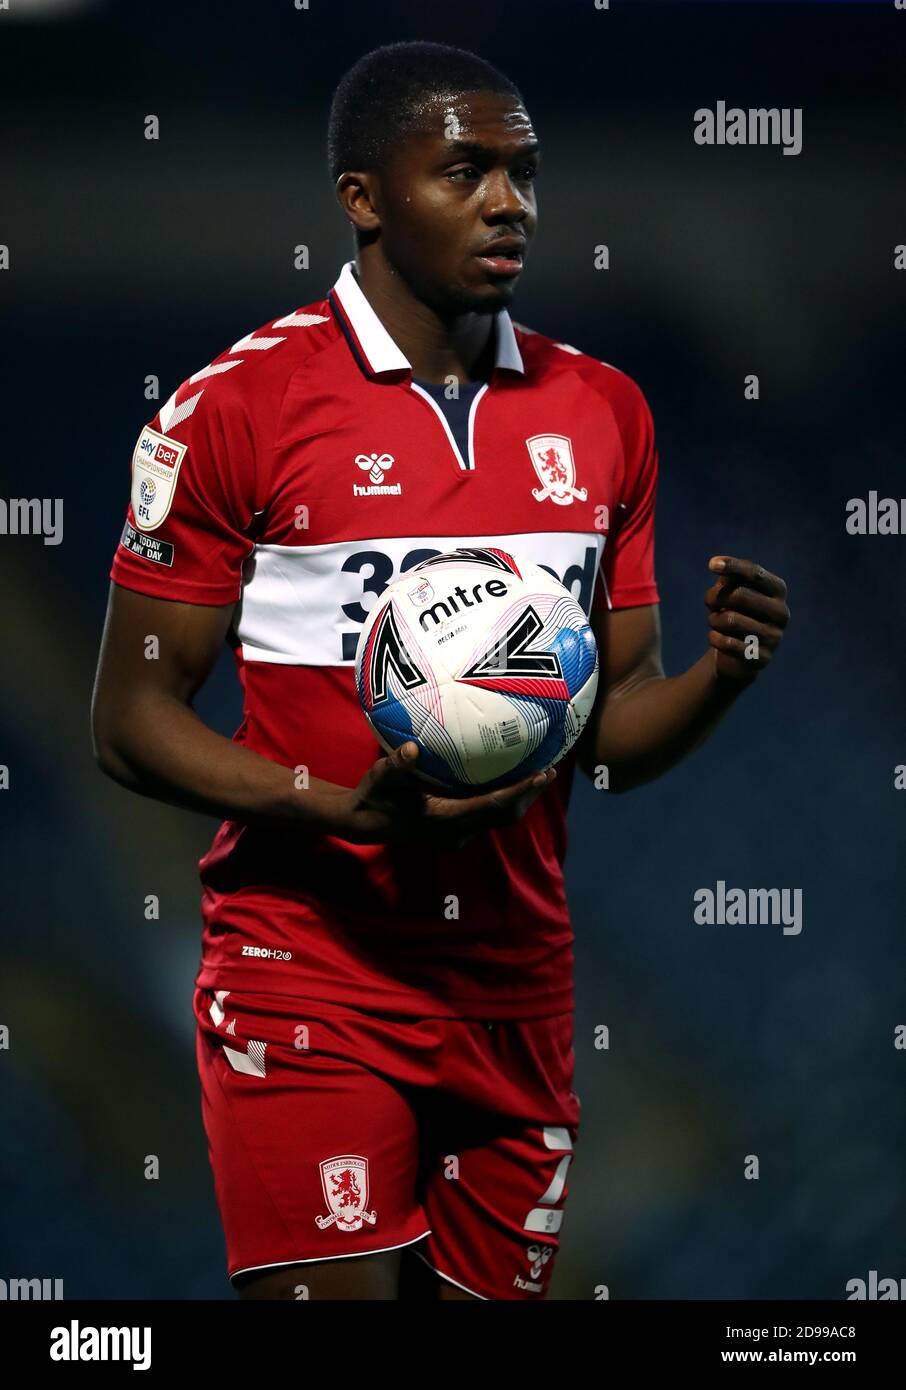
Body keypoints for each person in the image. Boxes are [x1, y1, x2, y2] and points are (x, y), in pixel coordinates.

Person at [91, 40, 789, 1301]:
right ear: (363, 196)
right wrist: (335, 807)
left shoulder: (604, 411)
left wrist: (723, 678)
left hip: (515, 988)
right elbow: (129, 720)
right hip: (308, 972)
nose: (509, 202)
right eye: (465, 170)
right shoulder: (234, 412)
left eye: (524, 172)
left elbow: (614, 730)